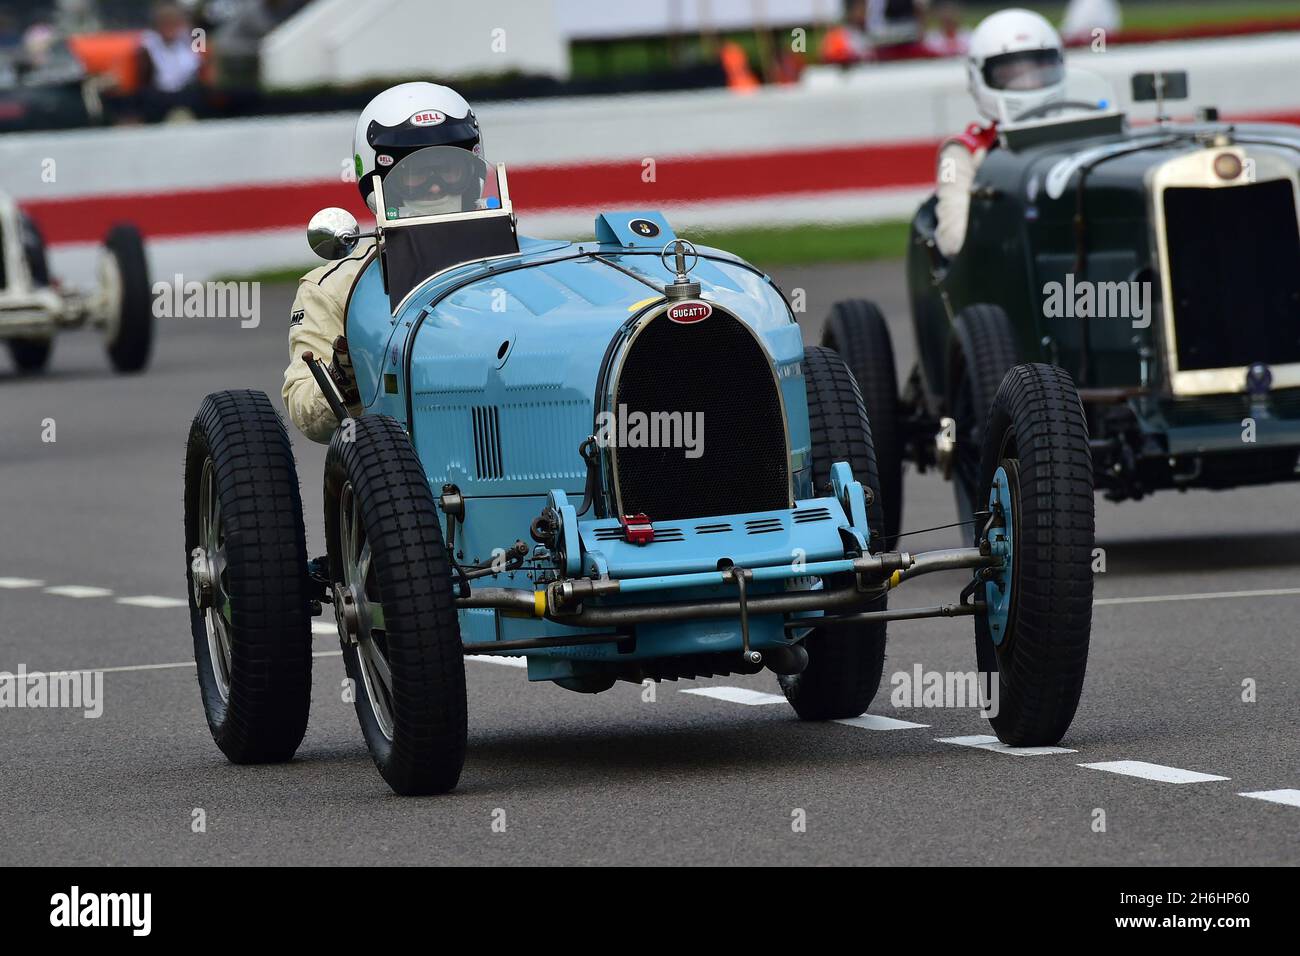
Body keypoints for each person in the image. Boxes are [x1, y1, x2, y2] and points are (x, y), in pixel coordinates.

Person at [282, 81, 483, 443]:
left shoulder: (518, 262)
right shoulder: (334, 288)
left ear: (474, 172)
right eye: (417, 174)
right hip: (392, 464)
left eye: (449, 169)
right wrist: (343, 377)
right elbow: (303, 410)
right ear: (379, 178)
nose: (435, 187)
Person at [934, 8, 1065, 257]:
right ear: (979, 75)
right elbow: (953, 239)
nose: (1028, 83)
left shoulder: (1080, 134)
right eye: (1011, 74)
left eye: (1038, 70)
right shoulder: (958, 155)